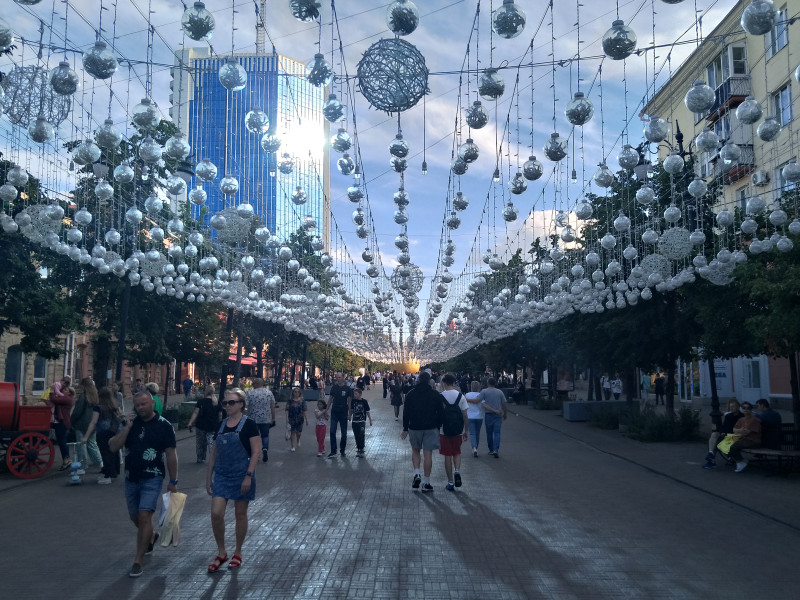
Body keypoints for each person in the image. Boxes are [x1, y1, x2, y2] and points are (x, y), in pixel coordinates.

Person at [109, 390, 178, 578]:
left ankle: (138, 560)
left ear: (152, 404)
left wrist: (173, 481)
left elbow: (171, 454)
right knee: (135, 517)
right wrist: (127, 428)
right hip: (131, 477)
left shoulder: (164, 426)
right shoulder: (130, 424)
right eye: (137, 405)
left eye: (144, 404)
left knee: (145, 515)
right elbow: (113, 447)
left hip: (153, 477)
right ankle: (152, 536)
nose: (140, 408)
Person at [206, 388, 261, 572]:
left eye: (231, 402)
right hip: (222, 475)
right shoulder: (221, 425)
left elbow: (256, 452)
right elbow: (214, 453)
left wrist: (249, 475)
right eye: (225, 403)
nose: (227, 406)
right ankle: (222, 552)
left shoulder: (249, 425)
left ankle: (238, 551)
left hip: (242, 474)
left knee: (240, 514)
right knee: (216, 513)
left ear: (241, 404)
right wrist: (208, 477)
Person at [401, 371, 445, 492]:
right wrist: (438, 425)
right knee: (428, 454)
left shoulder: (411, 394)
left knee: (415, 451)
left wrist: (405, 428)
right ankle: (426, 482)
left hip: (414, 427)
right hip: (431, 427)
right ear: (429, 381)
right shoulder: (435, 394)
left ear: (418, 380)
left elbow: (406, 413)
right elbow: (441, 412)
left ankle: (416, 473)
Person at [82, 387, 123, 484]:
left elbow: (93, 422)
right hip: (113, 432)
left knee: (105, 454)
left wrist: (86, 436)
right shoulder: (115, 405)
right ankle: (112, 472)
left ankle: (107, 476)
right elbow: (120, 418)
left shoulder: (98, 407)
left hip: (103, 434)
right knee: (113, 453)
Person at [440, 374, 469, 491]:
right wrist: (466, 430)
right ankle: (457, 471)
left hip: (444, 430)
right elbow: (465, 415)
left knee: (447, 455)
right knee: (457, 452)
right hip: (458, 430)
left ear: (444, 383)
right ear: (454, 383)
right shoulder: (461, 396)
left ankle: (450, 482)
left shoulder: (440, 396)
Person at [71, 377, 103, 474]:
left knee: (81, 446)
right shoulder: (95, 395)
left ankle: (82, 466)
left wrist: (72, 420)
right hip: (92, 422)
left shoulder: (83, 396)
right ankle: (100, 462)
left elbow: (77, 411)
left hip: (81, 424)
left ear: (84, 386)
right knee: (92, 445)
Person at [702, 399, 742, 469]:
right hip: (727, 435)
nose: (732, 408)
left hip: (735, 436)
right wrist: (722, 432)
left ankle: (711, 461)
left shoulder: (741, 416)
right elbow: (724, 427)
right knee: (714, 434)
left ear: (738, 406)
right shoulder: (728, 416)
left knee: (716, 443)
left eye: (733, 406)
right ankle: (711, 453)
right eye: (730, 407)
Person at [187, 385, 222, 463]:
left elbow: (196, 413)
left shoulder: (201, 401)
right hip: (213, 425)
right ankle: (213, 458)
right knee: (211, 442)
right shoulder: (217, 402)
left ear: (206, 392)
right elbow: (220, 414)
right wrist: (220, 424)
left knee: (200, 442)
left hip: (201, 425)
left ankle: (200, 457)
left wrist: (190, 422)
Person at [244, 378, 277, 463]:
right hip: (265, 419)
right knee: (265, 436)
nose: (252, 385)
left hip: (253, 419)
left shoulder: (250, 393)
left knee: (254, 437)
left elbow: (246, 406)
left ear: (256, 384)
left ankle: (256, 455)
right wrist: (273, 418)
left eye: (253, 384)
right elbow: (272, 406)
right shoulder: (269, 393)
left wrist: (245, 416)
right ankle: (265, 449)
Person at [48, 375, 75, 471]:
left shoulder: (67, 398)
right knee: (61, 441)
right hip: (61, 421)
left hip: (63, 422)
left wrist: (52, 391)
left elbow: (54, 399)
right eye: (64, 389)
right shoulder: (65, 397)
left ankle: (67, 459)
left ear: (69, 393)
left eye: (66, 390)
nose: (63, 390)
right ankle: (66, 459)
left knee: (62, 441)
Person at [728, 402, 762, 473]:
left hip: (753, 441)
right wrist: (740, 430)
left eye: (748, 408)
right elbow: (734, 430)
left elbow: (746, 433)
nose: (746, 409)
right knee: (724, 443)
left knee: (733, 446)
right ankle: (741, 461)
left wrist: (739, 432)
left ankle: (740, 462)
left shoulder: (754, 420)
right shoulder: (741, 419)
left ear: (751, 410)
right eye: (744, 408)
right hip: (744, 439)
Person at [478, 378, 507, 458]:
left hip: (488, 414)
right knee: (497, 433)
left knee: (489, 433)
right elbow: (504, 404)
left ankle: (491, 449)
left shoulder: (484, 391)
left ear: (488, 383)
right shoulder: (500, 392)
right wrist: (505, 413)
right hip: (498, 414)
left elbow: (478, 400)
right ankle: (496, 449)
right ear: (495, 383)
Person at [327, 372, 353, 458]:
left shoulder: (347, 389)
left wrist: (350, 414)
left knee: (344, 433)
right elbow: (330, 399)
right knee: (332, 431)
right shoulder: (334, 388)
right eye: (337, 377)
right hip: (334, 411)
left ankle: (342, 450)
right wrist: (326, 410)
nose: (338, 379)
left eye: (339, 377)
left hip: (343, 411)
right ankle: (333, 451)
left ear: (343, 378)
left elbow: (349, 402)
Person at [349, 387, 372, 456]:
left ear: (360, 394)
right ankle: (358, 447)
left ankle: (361, 448)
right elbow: (352, 410)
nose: (354, 395)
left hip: (362, 421)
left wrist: (370, 420)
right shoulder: (353, 401)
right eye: (354, 394)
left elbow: (367, 411)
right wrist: (350, 416)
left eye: (356, 394)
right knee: (356, 435)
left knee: (361, 434)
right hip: (355, 421)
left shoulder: (364, 402)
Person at [285, 387, 308, 452]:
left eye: (298, 392)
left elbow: (305, 410)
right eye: (295, 392)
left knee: (299, 433)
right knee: (293, 432)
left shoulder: (302, 400)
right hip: (292, 418)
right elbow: (287, 410)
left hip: (300, 418)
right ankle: (293, 446)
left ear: (300, 393)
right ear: (293, 393)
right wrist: (287, 418)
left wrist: (306, 419)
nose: (297, 393)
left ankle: (298, 439)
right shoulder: (290, 400)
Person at [465, 381, 484, 458]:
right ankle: (476, 447)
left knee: (472, 433)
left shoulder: (467, 395)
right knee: (477, 433)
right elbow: (483, 404)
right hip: (479, 416)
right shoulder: (480, 395)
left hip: (470, 416)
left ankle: (474, 447)